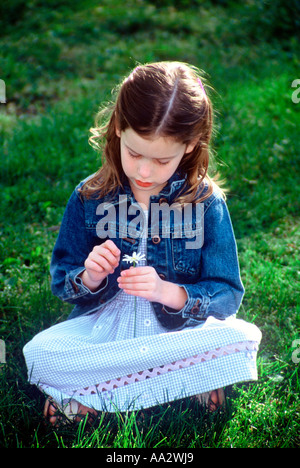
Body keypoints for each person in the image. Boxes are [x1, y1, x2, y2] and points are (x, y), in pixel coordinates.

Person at [23, 61, 261, 425]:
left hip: (180, 331)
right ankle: (185, 380)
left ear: (190, 144)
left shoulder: (207, 204)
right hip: (107, 330)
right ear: (119, 128)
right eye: (134, 153)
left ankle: (91, 395)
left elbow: (227, 293)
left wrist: (170, 293)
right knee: (40, 352)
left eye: (162, 160)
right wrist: (89, 276)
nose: (144, 172)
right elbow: (62, 280)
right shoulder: (90, 197)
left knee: (241, 337)